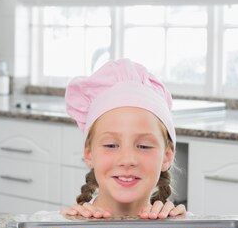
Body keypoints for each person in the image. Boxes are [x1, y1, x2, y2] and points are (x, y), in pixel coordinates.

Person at [61, 58, 187, 219]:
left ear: (167, 156)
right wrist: (62, 227)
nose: (127, 160)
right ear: (89, 154)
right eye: (111, 145)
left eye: (144, 146)